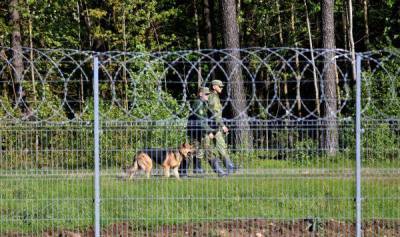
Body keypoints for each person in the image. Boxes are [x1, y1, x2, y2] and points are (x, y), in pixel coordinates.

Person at [180, 87, 226, 177]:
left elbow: (211, 115)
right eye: (206, 94)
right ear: (200, 94)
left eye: (209, 94)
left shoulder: (204, 103)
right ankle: (219, 171)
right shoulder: (198, 103)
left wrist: (216, 127)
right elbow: (200, 120)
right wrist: (209, 131)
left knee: (198, 151)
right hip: (197, 132)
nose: (208, 96)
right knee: (200, 151)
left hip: (201, 131)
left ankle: (194, 170)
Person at [208, 80, 236, 174]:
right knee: (212, 149)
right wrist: (222, 125)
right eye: (220, 86)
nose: (221, 88)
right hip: (213, 127)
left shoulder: (215, 97)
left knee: (221, 146)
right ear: (214, 86)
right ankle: (225, 168)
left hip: (215, 126)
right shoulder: (213, 98)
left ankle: (229, 166)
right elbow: (215, 114)